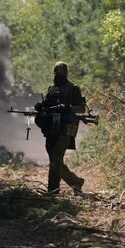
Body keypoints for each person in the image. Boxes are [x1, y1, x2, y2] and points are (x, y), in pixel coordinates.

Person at [34, 61, 85, 194]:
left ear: (66, 72)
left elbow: (81, 108)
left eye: (61, 71)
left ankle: (53, 190)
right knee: (54, 159)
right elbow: (46, 104)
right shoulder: (52, 88)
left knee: (56, 158)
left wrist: (68, 107)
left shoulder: (73, 88)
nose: (58, 74)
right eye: (56, 72)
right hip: (50, 129)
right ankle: (76, 182)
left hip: (65, 128)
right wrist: (40, 106)